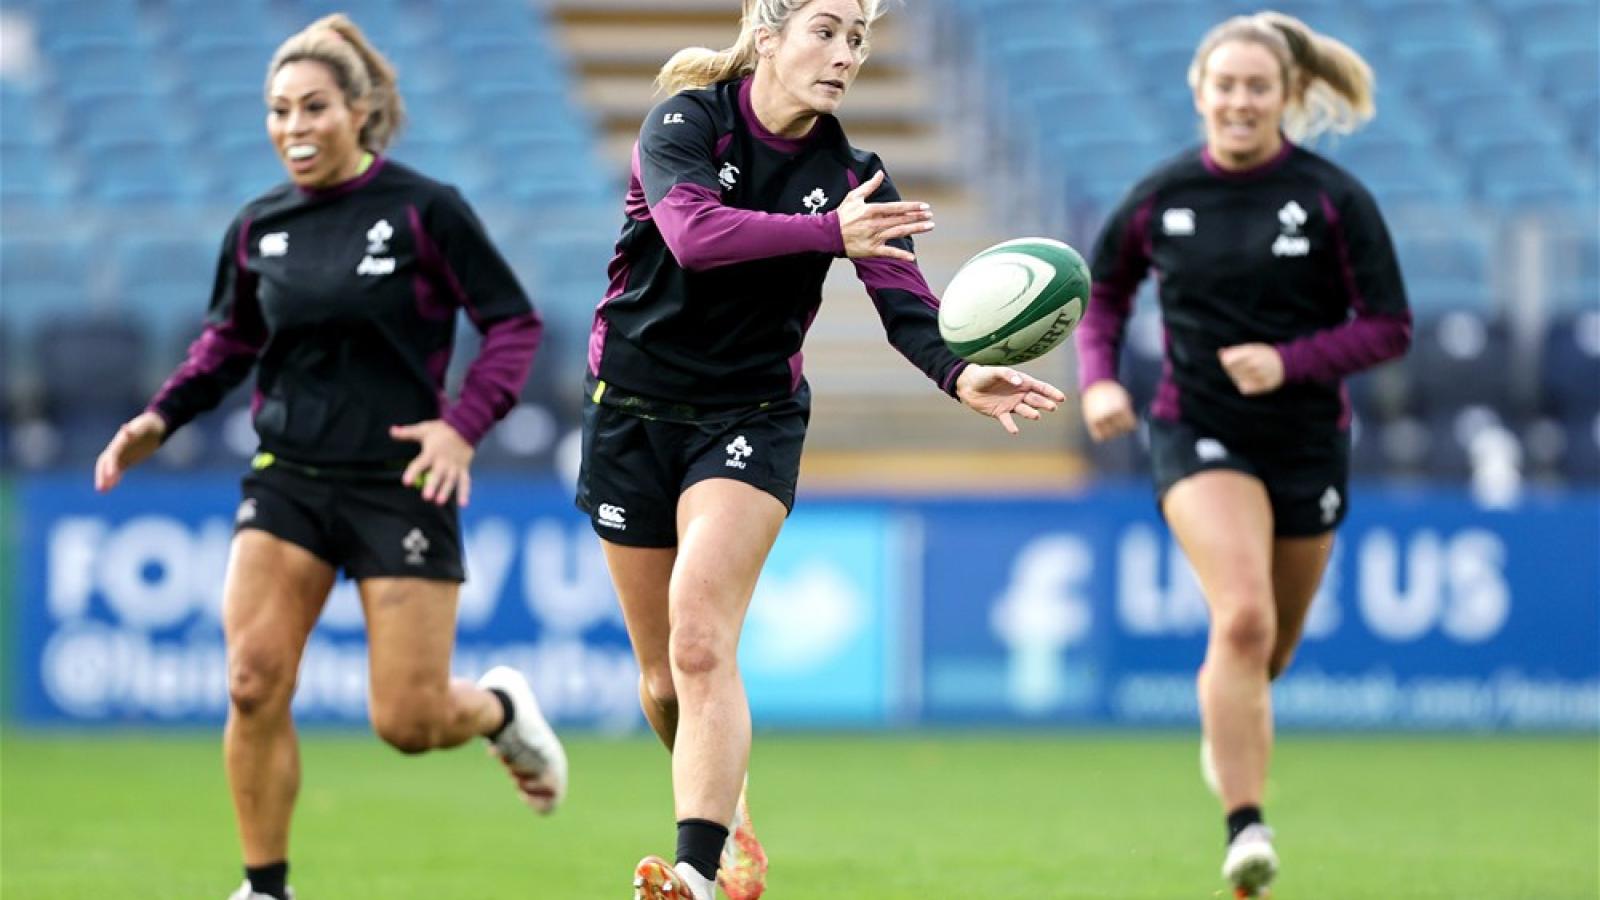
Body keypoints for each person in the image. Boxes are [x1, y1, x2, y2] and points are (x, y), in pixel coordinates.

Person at [574, 1, 1067, 897]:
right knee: (659, 682)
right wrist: (823, 233)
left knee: (697, 639)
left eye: (859, 38)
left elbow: (906, 303)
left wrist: (962, 376)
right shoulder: (685, 120)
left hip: (750, 417)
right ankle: (728, 812)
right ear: (768, 37)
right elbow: (693, 236)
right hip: (630, 410)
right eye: (827, 30)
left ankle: (694, 866)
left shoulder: (855, 173)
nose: (847, 53)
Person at [91, 15, 568, 900]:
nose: (294, 127)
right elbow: (226, 344)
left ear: (359, 110)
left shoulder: (426, 210)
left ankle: (499, 709)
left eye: (314, 107)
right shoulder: (255, 227)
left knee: (411, 721)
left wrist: (464, 424)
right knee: (251, 678)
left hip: (403, 481)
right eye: (278, 111)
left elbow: (514, 323)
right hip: (291, 477)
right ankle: (264, 887)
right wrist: (162, 416)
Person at [1075, 11, 1411, 898]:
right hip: (1195, 428)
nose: (1239, 101)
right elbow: (1103, 293)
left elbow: (1389, 326)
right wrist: (1101, 380)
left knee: (1270, 651)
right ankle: (1245, 830)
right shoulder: (1160, 196)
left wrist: (1291, 363)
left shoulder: (1336, 199)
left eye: (1257, 86)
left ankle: (1224, 731)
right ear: (1199, 92)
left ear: (1286, 96)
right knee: (1245, 620)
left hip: (1307, 441)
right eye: (1224, 85)